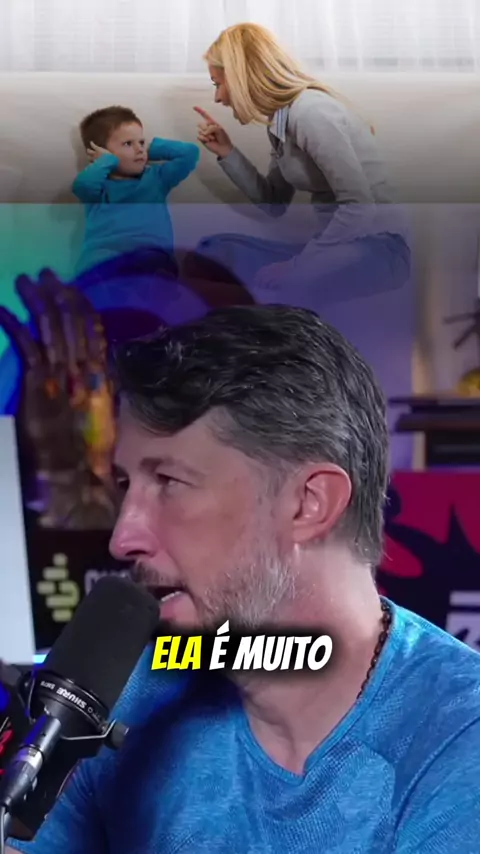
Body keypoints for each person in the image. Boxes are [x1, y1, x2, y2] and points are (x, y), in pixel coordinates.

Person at [7, 304, 480, 853]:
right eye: (126, 485)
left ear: (309, 503)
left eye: (169, 481)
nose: (122, 537)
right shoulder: (127, 692)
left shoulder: (457, 735)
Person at [186, 23, 411, 310]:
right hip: (337, 245)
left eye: (218, 84)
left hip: (379, 247)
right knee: (213, 251)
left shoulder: (311, 113)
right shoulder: (281, 121)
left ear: (241, 77)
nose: (218, 97)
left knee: (292, 283)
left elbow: (359, 207)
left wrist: (297, 266)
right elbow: (274, 203)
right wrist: (227, 152)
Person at [72, 105, 200, 277]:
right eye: (128, 144)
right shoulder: (99, 187)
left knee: (156, 267)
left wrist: (150, 149)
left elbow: (190, 153)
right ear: (100, 153)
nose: (139, 149)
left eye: (141, 142)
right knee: (93, 265)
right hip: (105, 253)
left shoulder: (156, 179)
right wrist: (106, 161)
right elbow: (81, 186)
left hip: (150, 253)